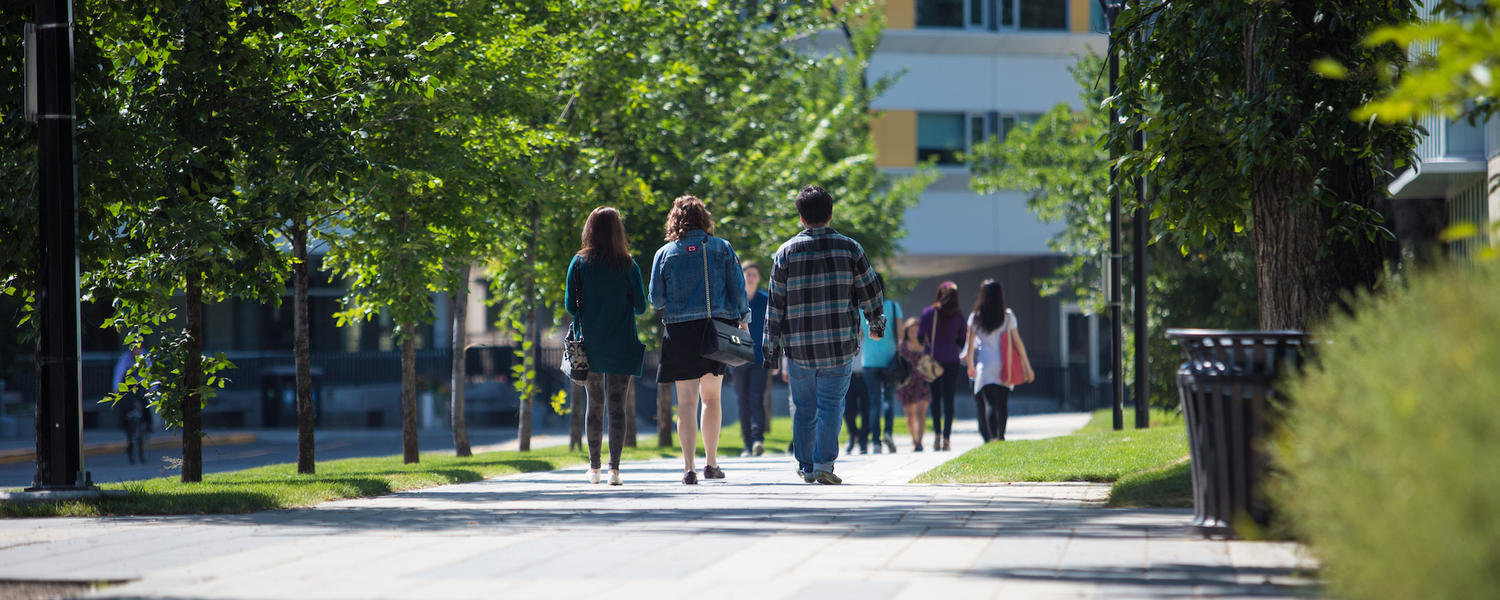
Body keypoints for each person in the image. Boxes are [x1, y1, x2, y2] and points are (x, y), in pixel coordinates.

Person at [763, 184, 885, 485]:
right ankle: (823, 464)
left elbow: (775, 305)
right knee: (832, 405)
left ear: (801, 218)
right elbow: (871, 292)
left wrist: (771, 351)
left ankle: (805, 465)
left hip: (799, 347)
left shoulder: (785, 253)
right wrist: (876, 325)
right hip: (839, 345)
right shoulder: (851, 249)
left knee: (805, 407)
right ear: (830, 214)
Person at [649, 195, 751, 485]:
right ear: (705, 218)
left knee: (686, 403)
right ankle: (711, 463)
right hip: (714, 329)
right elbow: (738, 289)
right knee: (711, 398)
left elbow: (656, 299)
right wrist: (743, 317)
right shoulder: (722, 248)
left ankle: (688, 468)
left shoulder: (665, 253)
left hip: (679, 332)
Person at [565, 207, 648, 486]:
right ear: (618, 231)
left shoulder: (578, 263)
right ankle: (615, 470)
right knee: (617, 406)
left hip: (590, 343)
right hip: (621, 342)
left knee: (595, 403)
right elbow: (640, 306)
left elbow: (569, 305)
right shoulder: (627, 264)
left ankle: (595, 469)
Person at [963, 279, 1035, 442]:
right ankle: (1000, 436)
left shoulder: (975, 317)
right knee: (1002, 403)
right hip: (1005, 364)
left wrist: (970, 365)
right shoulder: (1008, 316)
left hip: (985, 366)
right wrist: (1027, 367)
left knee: (990, 403)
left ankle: (992, 438)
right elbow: (1017, 342)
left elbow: (970, 345)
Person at [731, 261, 771, 457]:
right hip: (737, 357)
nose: (751, 277)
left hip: (759, 357)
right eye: (748, 274)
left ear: (759, 278)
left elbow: (772, 327)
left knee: (757, 398)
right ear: (742, 276)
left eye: (754, 274)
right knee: (742, 400)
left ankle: (758, 439)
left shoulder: (765, 299)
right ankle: (747, 444)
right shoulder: (735, 298)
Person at [919, 281, 965, 451]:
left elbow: (919, 337)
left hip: (933, 360)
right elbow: (962, 340)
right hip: (952, 360)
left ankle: (937, 435)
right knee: (949, 399)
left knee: (935, 399)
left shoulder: (928, 313)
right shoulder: (958, 316)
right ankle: (947, 438)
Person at [859, 280, 902, 454]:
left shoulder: (861, 310)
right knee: (888, 399)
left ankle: (875, 442)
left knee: (874, 402)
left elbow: (860, 336)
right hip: (890, 360)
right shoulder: (892, 306)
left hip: (869, 361)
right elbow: (901, 334)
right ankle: (888, 433)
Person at [896, 317, 932, 451]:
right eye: (911, 330)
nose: (914, 333)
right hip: (906, 383)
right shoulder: (901, 345)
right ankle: (913, 439)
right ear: (907, 331)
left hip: (922, 382)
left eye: (917, 330)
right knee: (909, 415)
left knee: (920, 412)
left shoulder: (925, 344)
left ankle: (920, 442)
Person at [110, 347, 151, 464]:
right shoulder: (125, 358)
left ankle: (148, 423)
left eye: (138, 348)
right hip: (127, 387)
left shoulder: (145, 357)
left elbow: (150, 372)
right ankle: (122, 422)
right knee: (124, 405)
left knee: (145, 404)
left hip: (141, 385)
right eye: (134, 349)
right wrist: (116, 388)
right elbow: (119, 372)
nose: (136, 351)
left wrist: (152, 388)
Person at [842, 369, 868, 454]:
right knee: (848, 409)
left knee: (866, 410)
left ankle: (863, 441)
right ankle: (853, 434)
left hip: (866, 375)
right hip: (849, 376)